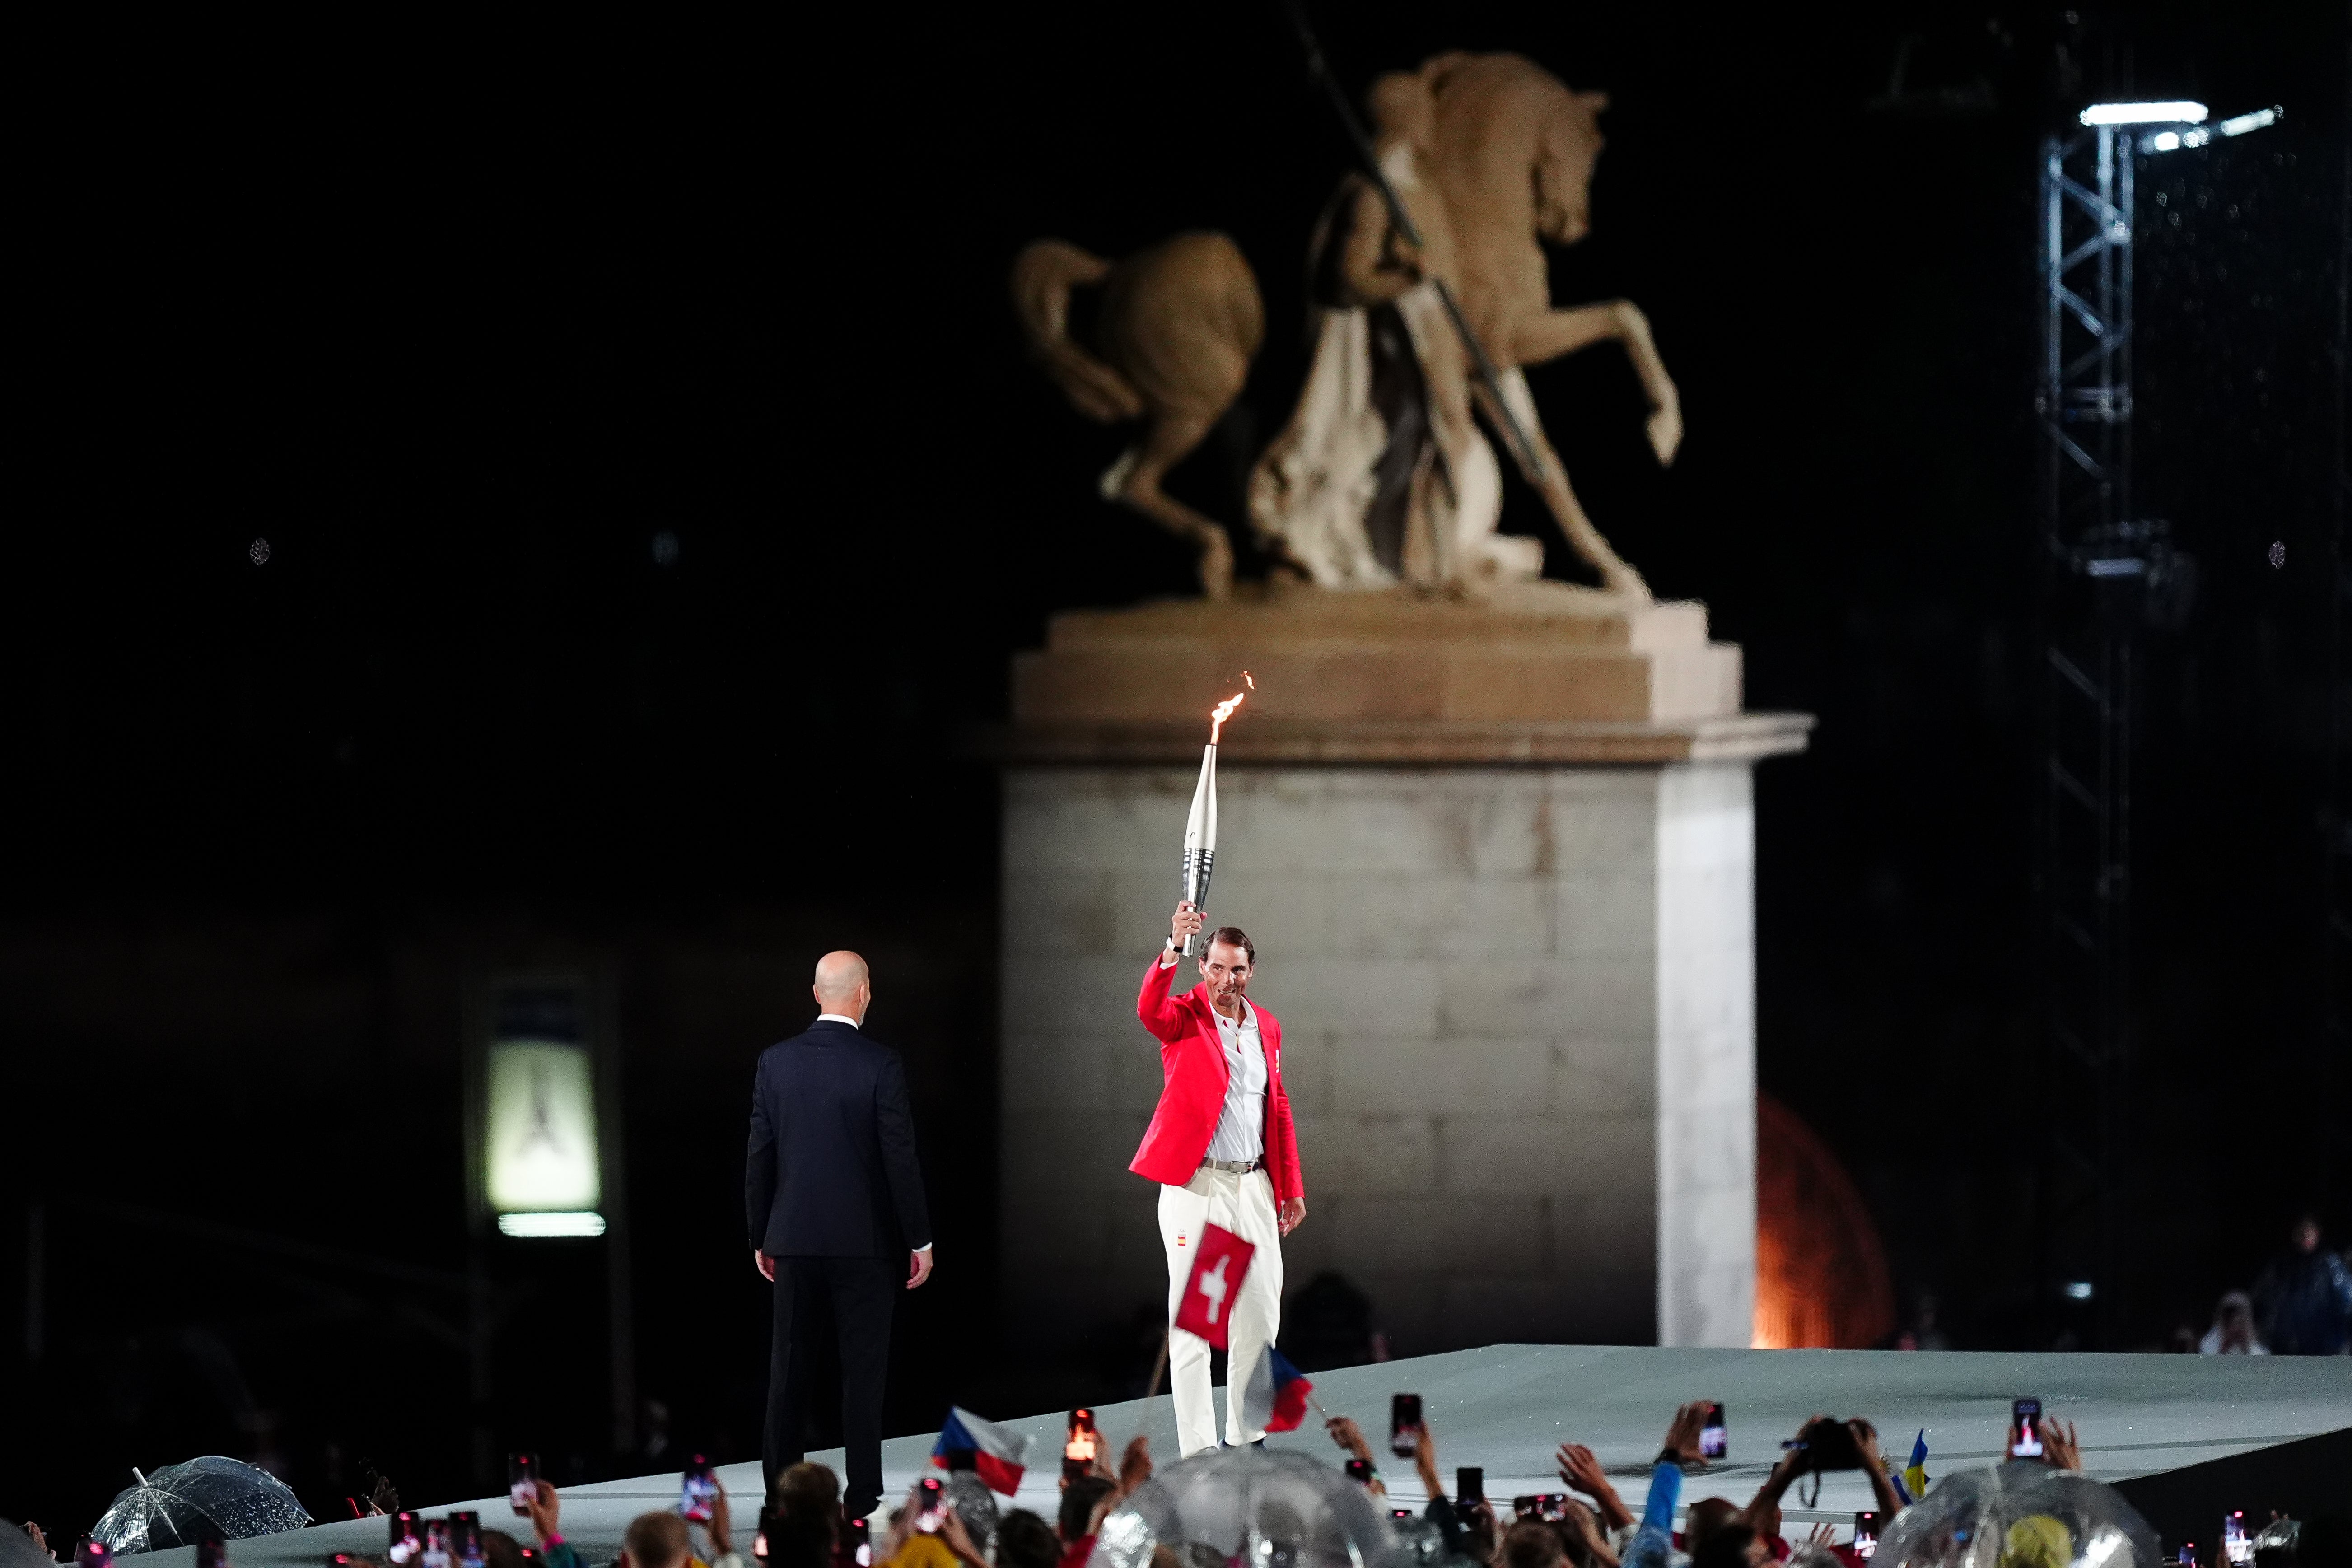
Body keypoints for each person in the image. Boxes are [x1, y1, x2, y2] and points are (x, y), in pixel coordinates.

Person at [747, 950, 935, 1517]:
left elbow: (760, 1155)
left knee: (789, 1372)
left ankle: (782, 1492)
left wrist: (761, 1234)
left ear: (816, 993)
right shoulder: (881, 1064)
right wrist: (919, 1240)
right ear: (863, 994)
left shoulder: (774, 1062)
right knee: (863, 1371)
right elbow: (899, 1158)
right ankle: (861, 1494)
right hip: (867, 1245)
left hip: (794, 1240)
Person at [1136, 902, 1307, 1456]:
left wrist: (1291, 1187)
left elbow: (1276, 1107)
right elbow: (1148, 1010)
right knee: (1195, 1324)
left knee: (1259, 1315)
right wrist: (1171, 946)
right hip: (1197, 1187)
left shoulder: (1268, 1025)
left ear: (1250, 971)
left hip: (1252, 1185)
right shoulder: (1183, 1015)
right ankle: (1198, 1451)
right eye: (1215, 967)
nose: (1225, 980)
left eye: (1236, 970)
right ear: (1201, 966)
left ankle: (1247, 1439)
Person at [2251, 1213, 2352, 1355]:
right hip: (2283, 1349)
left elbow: (2347, 1302)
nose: (2305, 1235)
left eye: (2309, 1230)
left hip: (2324, 1350)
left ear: (2318, 1234)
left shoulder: (2331, 1266)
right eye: (2301, 1230)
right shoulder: (2281, 1267)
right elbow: (2261, 1300)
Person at [2198, 1290, 2269, 1355]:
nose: (2234, 1318)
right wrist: (2225, 1345)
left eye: (2239, 1313)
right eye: (2230, 1314)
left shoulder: (2255, 1339)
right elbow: (2206, 1358)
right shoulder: (2211, 1340)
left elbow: (2262, 1360)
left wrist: (2245, 1345)